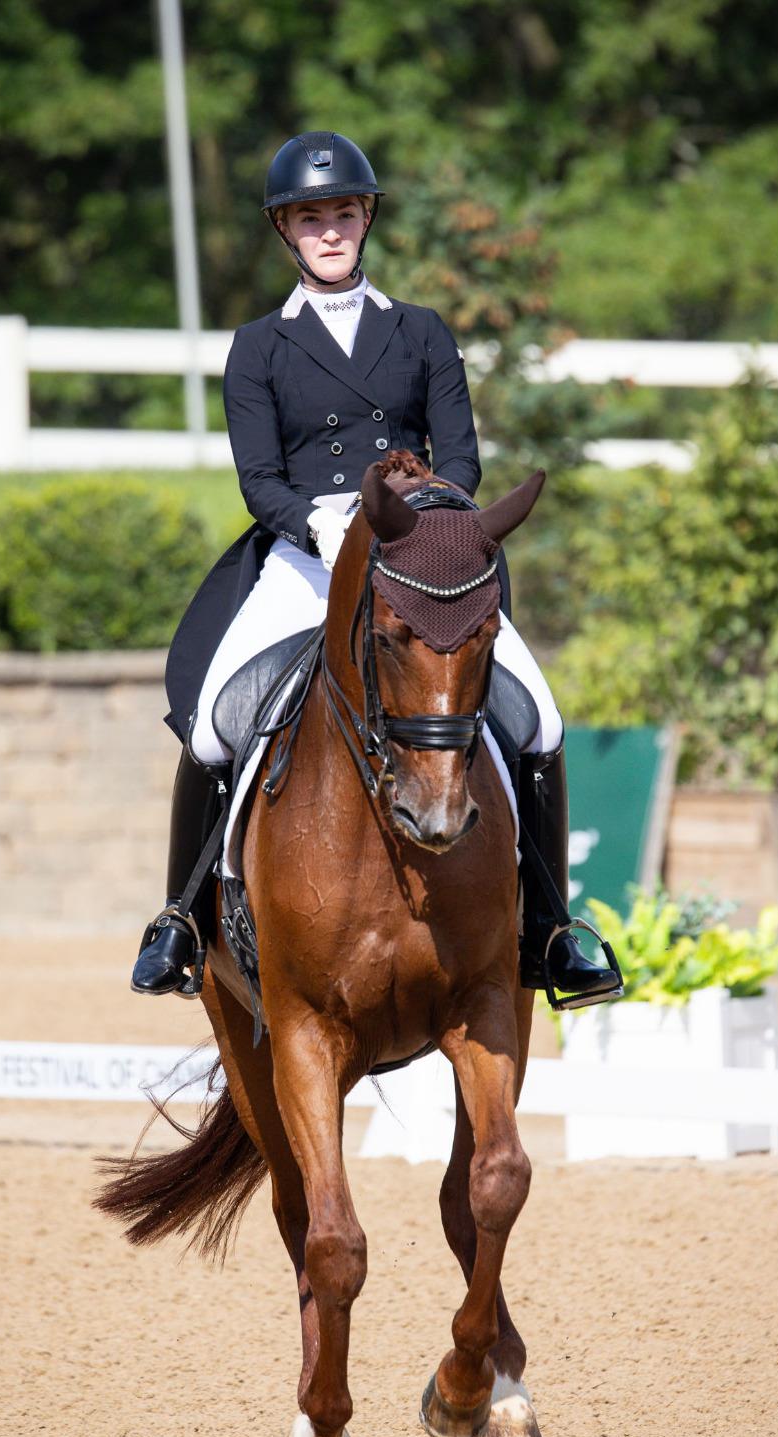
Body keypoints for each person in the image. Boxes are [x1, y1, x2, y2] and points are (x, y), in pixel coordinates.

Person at [132, 130, 616, 1006]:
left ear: (366, 221)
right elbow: (258, 480)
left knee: (540, 720)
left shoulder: (419, 331)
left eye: (344, 214)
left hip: (416, 556)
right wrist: (320, 526)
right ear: (285, 230)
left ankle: (551, 929)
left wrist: (425, 516)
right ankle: (182, 922)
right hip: (307, 557)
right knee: (211, 729)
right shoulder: (260, 346)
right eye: (310, 218)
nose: (330, 231)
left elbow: (461, 457)